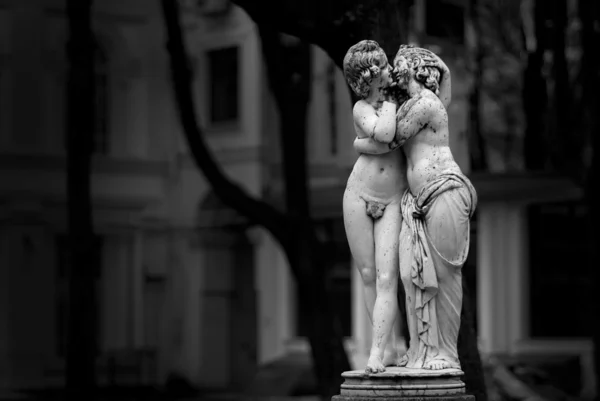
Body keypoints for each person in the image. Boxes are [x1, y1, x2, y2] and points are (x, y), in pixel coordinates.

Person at [354, 45, 477, 370]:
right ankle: (424, 349)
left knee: (445, 276)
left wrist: (358, 143)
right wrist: (443, 70)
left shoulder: (424, 104)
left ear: (413, 69)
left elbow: (389, 139)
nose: (394, 69)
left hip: (443, 191)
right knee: (414, 275)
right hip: (418, 201)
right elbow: (443, 86)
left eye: (400, 63)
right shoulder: (416, 103)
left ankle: (446, 353)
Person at [342, 40, 405, 374]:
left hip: (393, 198)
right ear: (370, 73)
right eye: (381, 65)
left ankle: (377, 353)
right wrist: (374, 143)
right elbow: (384, 133)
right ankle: (388, 346)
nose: (388, 69)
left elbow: (386, 133)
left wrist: (367, 144)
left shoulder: (399, 102)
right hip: (358, 194)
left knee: (386, 276)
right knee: (367, 275)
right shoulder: (360, 107)